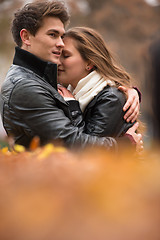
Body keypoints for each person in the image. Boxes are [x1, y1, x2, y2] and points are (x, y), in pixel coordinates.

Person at [0, 1, 141, 150]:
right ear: (26, 37)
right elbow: (72, 143)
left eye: (61, 36)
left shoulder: (40, 78)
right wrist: (127, 145)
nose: (60, 43)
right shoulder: (26, 86)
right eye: (53, 35)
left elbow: (106, 97)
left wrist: (129, 92)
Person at [57, 27, 141, 141]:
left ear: (89, 62)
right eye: (58, 55)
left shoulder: (110, 99)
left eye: (66, 56)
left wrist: (73, 107)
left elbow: (88, 150)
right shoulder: (68, 92)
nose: (57, 62)